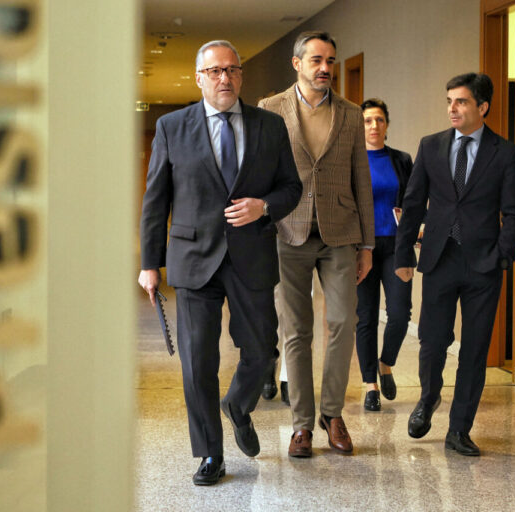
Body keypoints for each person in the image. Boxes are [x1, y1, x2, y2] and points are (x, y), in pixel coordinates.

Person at [139, 40, 302, 485]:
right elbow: (156, 200)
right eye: (214, 71)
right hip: (192, 259)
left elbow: (292, 188)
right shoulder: (172, 127)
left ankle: (237, 405)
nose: (224, 78)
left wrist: (263, 206)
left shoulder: (270, 126)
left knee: (262, 349)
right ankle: (210, 453)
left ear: (241, 75)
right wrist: (149, 263)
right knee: (197, 362)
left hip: (251, 255)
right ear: (199, 78)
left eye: (232, 70)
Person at [394, 72, 515, 456]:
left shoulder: (504, 153)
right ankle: (428, 398)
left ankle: (459, 429)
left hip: (483, 264)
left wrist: (503, 251)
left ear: (482, 107)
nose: (452, 108)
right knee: (432, 341)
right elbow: (414, 203)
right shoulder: (431, 146)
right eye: (449, 100)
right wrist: (404, 255)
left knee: (474, 348)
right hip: (439, 257)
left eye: (462, 101)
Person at [258, 31, 375, 458]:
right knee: (297, 330)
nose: (325, 67)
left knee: (344, 321)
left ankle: (332, 414)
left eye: (330, 60)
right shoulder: (270, 111)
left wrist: (367, 245)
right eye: (316, 60)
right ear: (297, 64)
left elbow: (361, 179)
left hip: (340, 232)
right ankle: (301, 425)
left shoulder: (350, 113)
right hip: (288, 231)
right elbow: (261, 173)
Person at [355, 98, 414, 412]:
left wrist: (416, 228)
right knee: (365, 318)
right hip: (362, 248)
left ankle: (386, 362)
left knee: (400, 313)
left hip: (396, 247)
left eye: (379, 120)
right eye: (367, 121)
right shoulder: (351, 161)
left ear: (387, 125)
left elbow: (415, 202)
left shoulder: (402, 160)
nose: (373, 126)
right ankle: (370, 385)